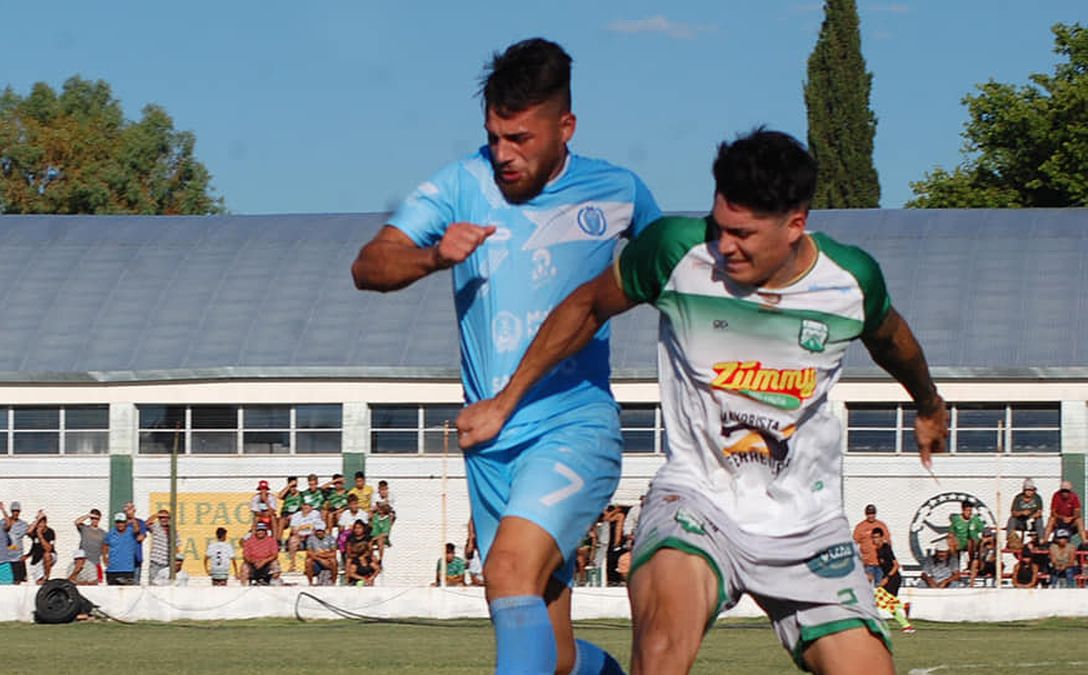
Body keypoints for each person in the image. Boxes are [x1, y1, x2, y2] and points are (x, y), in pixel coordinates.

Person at [456, 128, 950, 674]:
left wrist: (928, 404)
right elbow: (586, 307)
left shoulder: (850, 281)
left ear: (795, 224)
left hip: (807, 524)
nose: (725, 246)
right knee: (664, 649)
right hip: (697, 500)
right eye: (718, 226)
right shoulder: (674, 252)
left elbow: (893, 341)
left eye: (742, 233)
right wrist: (505, 401)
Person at [353, 37, 660, 675]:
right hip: (488, 443)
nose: (503, 154)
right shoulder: (459, 185)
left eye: (519, 138)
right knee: (556, 657)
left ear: (565, 126)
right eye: (494, 136)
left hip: (574, 428)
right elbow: (369, 265)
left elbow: (678, 273)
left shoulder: (620, 192)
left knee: (508, 570)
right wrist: (433, 255)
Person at [870, 528, 913, 634]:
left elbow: (896, 565)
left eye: (877, 537)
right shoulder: (878, 550)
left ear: (881, 537)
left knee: (880, 600)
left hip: (893, 578)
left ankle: (905, 614)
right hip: (888, 578)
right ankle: (906, 624)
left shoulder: (886, 548)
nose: (875, 540)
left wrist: (887, 578)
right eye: (873, 537)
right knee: (888, 604)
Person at [853, 504, 891, 587]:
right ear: (866, 514)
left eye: (873, 513)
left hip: (880, 564)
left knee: (880, 587)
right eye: (869, 514)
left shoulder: (881, 525)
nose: (871, 516)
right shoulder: (860, 527)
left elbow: (887, 542)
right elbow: (854, 544)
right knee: (866, 587)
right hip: (867, 563)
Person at [102, 512, 144, 585]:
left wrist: (132, 519)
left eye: (122, 522)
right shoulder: (110, 533)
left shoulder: (131, 531)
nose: (120, 524)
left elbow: (137, 530)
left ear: (125, 522)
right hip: (112, 570)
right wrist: (105, 558)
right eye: (118, 522)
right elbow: (105, 545)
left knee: (128, 593)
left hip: (127, 569)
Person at [287, 501, 324, 573]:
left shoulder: (315, 514)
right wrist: (299, 535)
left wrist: (309, 534)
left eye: (308, 505)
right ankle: (292, 564)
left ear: (312, 507)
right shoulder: (296, 515)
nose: (306, 507)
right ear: (302, 506)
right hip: (299, 537)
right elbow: (294, 529)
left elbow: (318, 527)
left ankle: (308, 566)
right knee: (292, 541)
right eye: (305, 505)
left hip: (311, 536)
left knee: (313, 540)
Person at [145, 508, 179, 585]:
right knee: (153, 584)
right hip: (156, 562)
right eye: (162, 518)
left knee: (166, 585)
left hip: (168, 563)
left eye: (166, 518)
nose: (164, 520)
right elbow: (146, 524)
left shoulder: (173, 530)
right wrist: (157, 515)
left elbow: (176, 546)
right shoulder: (156, 527)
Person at [949, 501, 985, 569]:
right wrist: (952, 541)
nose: (969, 512)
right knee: (952, 545)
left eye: (970, 510)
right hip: (959, 543)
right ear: (963, 510)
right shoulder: (956, 519)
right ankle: (955, 568)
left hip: (972, 544)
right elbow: (951, 533)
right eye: (967, 510)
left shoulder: (975, 519)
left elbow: (982, 530)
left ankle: (971, 565)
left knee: (970, 542)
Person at [74, 509, 106, 584]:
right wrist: (88, 515)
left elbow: (105, 548)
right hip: (83, 562)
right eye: (93, 518)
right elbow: (76, 522)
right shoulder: (84, 528)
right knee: (81, 582)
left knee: (96, 583)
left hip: (95, 562)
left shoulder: (103, 533)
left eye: (97, 519)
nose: (95, 520)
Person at [345, 520, 380, 586]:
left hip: (365, 555)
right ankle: (347, 581)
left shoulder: (367, 537)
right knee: (348, 560)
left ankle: (371, 578)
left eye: (359, 528)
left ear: (363, 528)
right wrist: (357, 555)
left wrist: (365, 555)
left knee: (374, 558)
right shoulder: (350, 538)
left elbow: (370, 550)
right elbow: (348, 552)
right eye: (356, 528)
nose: (357, 530)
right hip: (354, 556)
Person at [5, 501, 28, 585]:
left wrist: (28, 554)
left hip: (18, 558)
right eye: (14, 511)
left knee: (17, 582)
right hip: (5, 557)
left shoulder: (23, 524)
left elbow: (31, 534)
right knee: (6, 581)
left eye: (17, 511)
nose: (15, 513)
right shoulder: (3, 522)